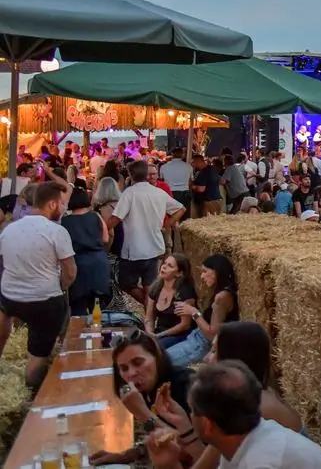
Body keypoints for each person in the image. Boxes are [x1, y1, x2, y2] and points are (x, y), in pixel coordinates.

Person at [145, 361, 321, 469]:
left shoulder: (260, 461)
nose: (190, 415)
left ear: (208, 424)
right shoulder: (246, 439)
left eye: (192, 410)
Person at [0, 182, 75, 388]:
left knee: (4, 314)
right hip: (44, 299)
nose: (63, 207)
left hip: (10, 296)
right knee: (38, 355)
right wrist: (59, 286)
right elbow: (70, 272)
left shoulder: (8, 229)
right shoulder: (56, 231)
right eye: (61, 203)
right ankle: (31, 392)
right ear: (51, 204)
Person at [90, 330, 194, 466]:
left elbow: (191, 453)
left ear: (157, 357)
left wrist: (144, 414)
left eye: (138, 363)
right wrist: (127, 455)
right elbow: (162, 438)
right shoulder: (150, 387)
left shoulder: (186, 386)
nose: (132, 373)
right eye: (124, 368)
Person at [113, 160, 186, 306]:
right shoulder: (158, 193)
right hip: (154, 246)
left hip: (134, 249)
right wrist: (167, 224)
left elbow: (116, 219)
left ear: (130, 175)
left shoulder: (129, 193)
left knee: (126, 283)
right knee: (149, 286)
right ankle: (152, 313)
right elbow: (181, 209)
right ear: (146, 175)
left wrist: (100, 225)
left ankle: (150, 309)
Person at [166, 254, 239, 368]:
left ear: (217, 272)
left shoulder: (222, 297)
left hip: (201, 344)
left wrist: (193, 312)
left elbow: (212, 335)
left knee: (161, 362)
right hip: (195, 337)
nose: (202, 276)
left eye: (205, 271)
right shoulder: (219, 292)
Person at [61, 186, 111, 316]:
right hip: (99, 261)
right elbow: (106, 238)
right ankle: (99, 333)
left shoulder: (65, 221)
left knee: (78, 306)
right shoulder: (96, 216)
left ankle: (79, 334)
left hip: (78, 263)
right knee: (98, 306)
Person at [147, 254, 198, 351]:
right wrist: (150, 332)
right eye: (164, 263)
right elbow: (149, 317)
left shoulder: (185, 292)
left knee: (154, 348)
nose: (164, 267)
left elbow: (185, 325)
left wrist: (159, 335)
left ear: (179, 273)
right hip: (160, 332)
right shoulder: (155, 288)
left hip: (180, 334)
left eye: (170, 266)